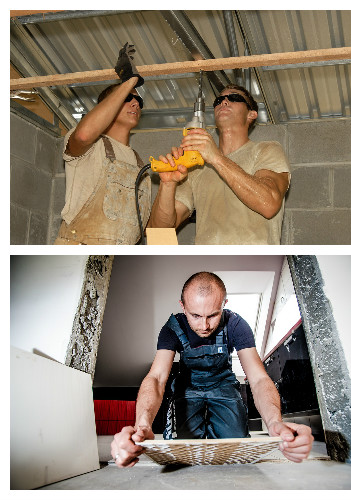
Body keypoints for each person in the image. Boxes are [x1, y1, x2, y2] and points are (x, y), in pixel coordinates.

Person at [110, 272, 313, 466]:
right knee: (182, 452)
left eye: (213, 315)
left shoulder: (236, 325)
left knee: (236, 450)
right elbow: (156, 378)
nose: (205, 325)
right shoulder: (172, 328)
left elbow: (259, 378)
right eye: (196, 315)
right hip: (187, 388)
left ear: (223, 305)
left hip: (223, 385)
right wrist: (143, 425)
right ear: (183, 306)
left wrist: (274, 423)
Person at [147, 84, 290, 244]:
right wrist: (168, 184)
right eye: (219, 100)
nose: (224, 102)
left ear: (252, 114)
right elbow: (158, 235)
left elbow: (269, 204)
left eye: (234, 97)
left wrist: (216, 158)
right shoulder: (195, 167)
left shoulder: (266, 149)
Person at [55, 43, 150, 245]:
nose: (136, 103)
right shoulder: (92, 146)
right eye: (128, 98)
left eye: (138, 101)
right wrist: (129, 80)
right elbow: (83, 136)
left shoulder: (143, 167)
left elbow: (149, 228)